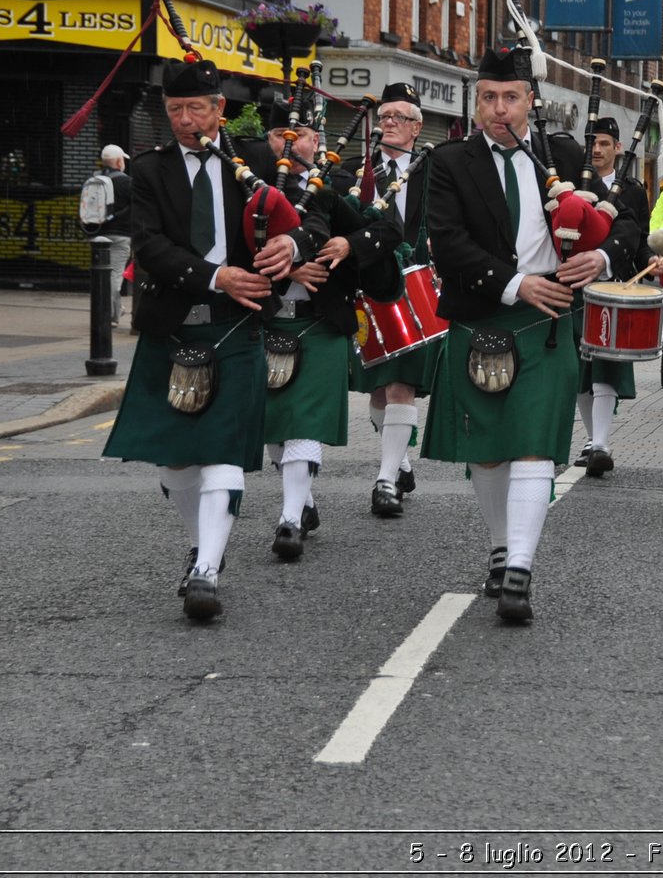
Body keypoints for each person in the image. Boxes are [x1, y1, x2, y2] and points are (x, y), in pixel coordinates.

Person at [421, 47, 639, 622]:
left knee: (534, 443)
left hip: (547, 328)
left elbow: (628, 224)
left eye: (510, 98)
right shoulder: (449, 163)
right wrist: (517, 285)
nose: (500, 109)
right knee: (489, 453)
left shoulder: (565, 156)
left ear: (529, 100)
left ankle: (520, 564)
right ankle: (500, 548)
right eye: (488, 98)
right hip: (484, 314)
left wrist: (602, 257)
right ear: (476, 104)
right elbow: (447, 243)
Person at [102, 60, 307, 621]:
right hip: (174, 322)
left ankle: (207, 570)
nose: (186, 120)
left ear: (220, 109)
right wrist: (216, 274)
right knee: (174, 463)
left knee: (221, 452)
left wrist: (293, 247)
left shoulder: (259, 160)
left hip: (236, 323)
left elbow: (306, 217)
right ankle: (202, 544)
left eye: (197, 109)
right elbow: (149, 246)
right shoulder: (150, 170)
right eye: (175, 110)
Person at [236, 98, 372, 561]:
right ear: (269, 141)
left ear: (318, 142)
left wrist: (345, 246)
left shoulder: (333, 189)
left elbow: (374, 235)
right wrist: (289, 269)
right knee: (275, 423)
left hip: (320, 322)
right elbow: (233, 254)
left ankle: (289, 519)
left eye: (303, 137)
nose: (291, 145)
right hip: (268, 316)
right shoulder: (249, 192)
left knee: (304, 419)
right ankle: (305, 503)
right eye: (280, 136)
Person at [343, 82, 435, 518]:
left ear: (416, 126)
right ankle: (399, 461)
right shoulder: (354, 172)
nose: (389, 123)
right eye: (384, 117)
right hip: (367, 285)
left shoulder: (434, 171)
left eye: (399, 117)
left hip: (415, 285)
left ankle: (384, 481)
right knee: (378, 392)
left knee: (402, 387)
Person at [574, 116, 648, 477]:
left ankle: (601, 443)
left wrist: (653, 261)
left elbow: (640, 240)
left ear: (618, 148)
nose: (597, 150)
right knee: (581, 370)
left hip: (612, 287)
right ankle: (592, 438)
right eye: (592, 143)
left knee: (603, 364)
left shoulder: (632, 190)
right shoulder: (572, 185)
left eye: (604, 143)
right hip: (574, 288)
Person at [97, 145, 135, 325]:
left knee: (100, 274)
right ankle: (111, 314)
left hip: (97, 235)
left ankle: (106, 310)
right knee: (114, 275)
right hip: (121, 235)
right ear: (119, 161)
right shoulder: (126, 182)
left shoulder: (95, 180)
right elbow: (138, 207)